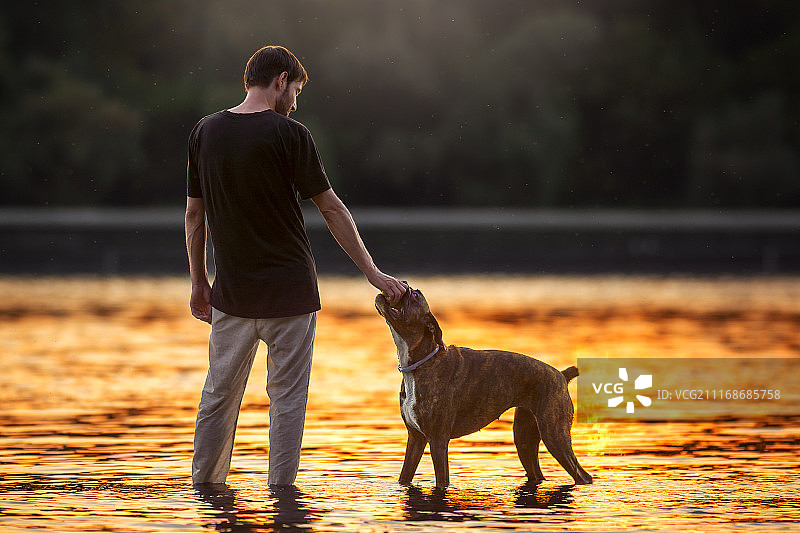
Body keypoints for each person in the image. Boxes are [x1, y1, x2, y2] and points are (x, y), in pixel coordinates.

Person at [184, 45, 407, 487]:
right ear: (281, 80)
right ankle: (282, 496)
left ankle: (205, 491)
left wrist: (198, 282)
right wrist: (373, 274)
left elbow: (195, 215)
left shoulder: (205, 132)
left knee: (217, 398)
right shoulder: (291, 134)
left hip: (232, 295)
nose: (296, 102)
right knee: (287, 402)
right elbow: (332, 209)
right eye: (297, 90)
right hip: (291, 295)